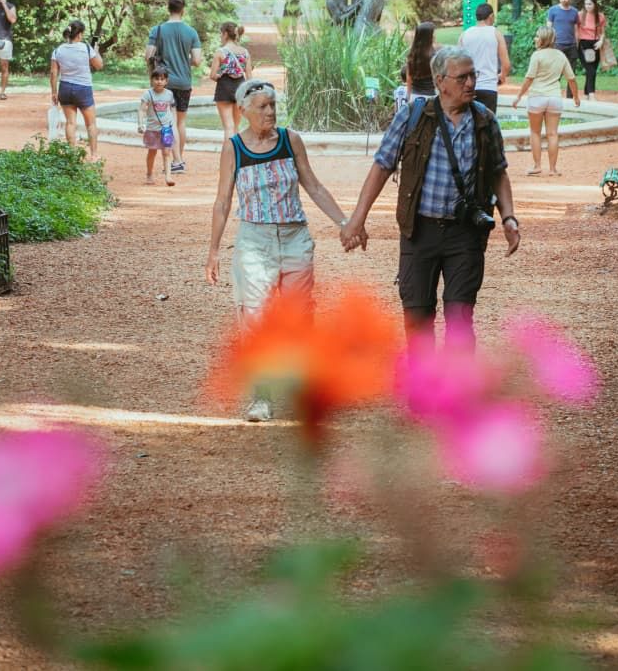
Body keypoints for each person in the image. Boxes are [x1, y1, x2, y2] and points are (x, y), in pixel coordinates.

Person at [342, 46, 521, 348]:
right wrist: (357, 220)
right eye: (462, 77)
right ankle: (423, 379)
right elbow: (382, 166)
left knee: (460, 316)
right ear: (440, 81)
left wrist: (509, 218)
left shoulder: (485, 120)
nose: (471, 83)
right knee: (417, 317)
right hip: (419, 231)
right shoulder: (413, 116)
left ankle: (456, 379)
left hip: (465, 234)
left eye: (473, 75)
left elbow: (498, 172)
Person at [206, 78, 350, 420]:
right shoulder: (234, 148)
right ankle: (262, 396)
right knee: (255, 316)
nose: (270, 112)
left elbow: (313, 186)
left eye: (272, 105)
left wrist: (345, 223)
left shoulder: (289, 140)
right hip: (254, 240)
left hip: (294, 236)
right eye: (263, 107)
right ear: (244, 111)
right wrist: (213, 251)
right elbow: (223, 202)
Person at [511, 26, 581, 177]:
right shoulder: (561, 56)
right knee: (553, 134)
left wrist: (518, 96)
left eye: (537, 36)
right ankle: (553, 169)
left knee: (535, 132)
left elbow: (529, 78)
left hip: (537, 97)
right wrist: (576, 96)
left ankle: (537, 166)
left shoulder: (537, 56)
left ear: (543, 39)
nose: (535, 38)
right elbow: (571, 78)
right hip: (554, 98)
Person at [144, 0, 202, 174]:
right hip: (184, 82)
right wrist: (183, 60)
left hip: (164, 82)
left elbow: (148, 56)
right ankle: (179, 160)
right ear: (183, 9)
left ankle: (175, 161)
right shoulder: (191, 32)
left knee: (169, 123)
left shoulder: (158, 30)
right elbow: (197, 60)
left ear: (168, 8)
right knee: (180, 123)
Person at [49, 19, 104, 161]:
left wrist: (54, 92)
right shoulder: (86, 48)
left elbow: (53, 73)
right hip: (83, 88)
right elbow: (99, 65)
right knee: (91, 124)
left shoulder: (58, 50)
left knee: (70, 122)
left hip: (65, 88)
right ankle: (94, 155)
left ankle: (72, 156)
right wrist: (96, 51)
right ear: (79, 34)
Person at [458, 2, 511, 112]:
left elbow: (457, 62)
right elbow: (506, 64)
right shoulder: (496, 33)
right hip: (488, 87)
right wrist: (502, 76)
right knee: (487, 121)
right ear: (491, 16)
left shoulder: (464, 34)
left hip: (468, 86)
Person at [208, 21, 251, 139]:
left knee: (228, 127)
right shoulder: (245, 53)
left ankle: (228, 150)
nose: (220, 36)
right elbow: (249, 77)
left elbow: (212, 75)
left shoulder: (220, 52)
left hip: (224, 88)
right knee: (236, 126)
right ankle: (237, 150)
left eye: (221, 33)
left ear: (226, 34)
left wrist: (220, 76)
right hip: (240, 88)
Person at [138, 65, 176, 186]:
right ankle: (149, 174)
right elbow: (142, 110)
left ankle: (168, 176)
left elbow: (172, 108)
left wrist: (173, 123)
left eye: (162, 79)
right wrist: (140, 124)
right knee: (152, 152)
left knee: (167, 152)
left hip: (166, 129)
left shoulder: (169, 94)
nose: (159, 81)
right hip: (152, 129)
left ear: (166, 81)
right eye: (157, 79)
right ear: (152, 80)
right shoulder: (148, 94)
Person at [545, 0, 579, 99]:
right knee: (556, 72)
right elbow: (548, 28)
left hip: (571, 45)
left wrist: (577, 43)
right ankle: (553, 95)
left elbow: (576, 29)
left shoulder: (574, 12)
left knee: (571, 73)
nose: (563, 0)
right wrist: (548, 43)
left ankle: (570, 97)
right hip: (557, 45)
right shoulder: (553, 10)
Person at [575, 0, 608, 101]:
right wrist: (575, 44)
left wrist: (601, 41)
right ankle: (592, 94)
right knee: (590, 70)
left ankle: (586, 95)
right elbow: (575, 30)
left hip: (596, 45)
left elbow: (602, 32)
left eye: (590, 4)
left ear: (595, 4)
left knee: (592, 70)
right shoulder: (579, 15)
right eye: (586, 4)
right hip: (583, 44)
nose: (587, 6)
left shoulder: (600, 16)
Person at [404, 21, 438, 108]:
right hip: (431, 99)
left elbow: (409, 79)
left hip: (414, 97)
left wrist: (408, 97)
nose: (435, 36)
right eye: (433, 34)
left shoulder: (412, 54)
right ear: (428, 36)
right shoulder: (434, 55)